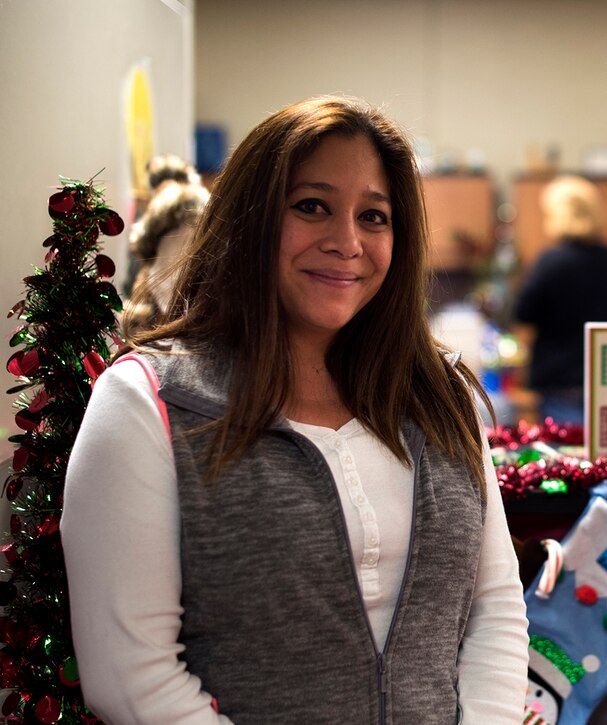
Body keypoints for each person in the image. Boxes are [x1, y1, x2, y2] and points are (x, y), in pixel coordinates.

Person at [61, 96, 529, 723]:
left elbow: (493, 604)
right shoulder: (149, 404)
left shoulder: (439, 394)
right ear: (250, 219)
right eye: (312, 207)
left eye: (374, 216)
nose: (346, 241)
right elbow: (130, 675)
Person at [513, 175, 607, 423]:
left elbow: (523, 312)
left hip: (559, 380)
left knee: (563, 457)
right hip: (605, 378)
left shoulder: (552, 262)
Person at [124, 155, 210, 333]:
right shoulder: (207, 208)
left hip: (165, 310)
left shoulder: (162, 208)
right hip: (201, 308)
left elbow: (142, 247)